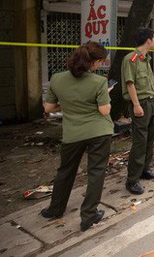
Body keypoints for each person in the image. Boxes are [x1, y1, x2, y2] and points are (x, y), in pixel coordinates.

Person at [41, 42, 112, 232]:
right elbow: (104, 110)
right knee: (96, 172)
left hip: (72, 133)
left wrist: (68, 103)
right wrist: (106, 96)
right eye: (100, 61)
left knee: (65, 171)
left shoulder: (56, 78)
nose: (100, 65)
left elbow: (48, 109)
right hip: (98, 132)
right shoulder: (99, 82)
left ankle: (55, 209)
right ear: (94, 62)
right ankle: (88, 216)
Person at [122, 27, 154, 195]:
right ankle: (132, 180)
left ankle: (145, 169)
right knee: (140, 141)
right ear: (148, 41)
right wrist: (136, 105)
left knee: (150, 138)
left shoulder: (145, 58)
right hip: (141, 103)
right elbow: (130, 84)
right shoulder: (130, 59)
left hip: (152, 101)